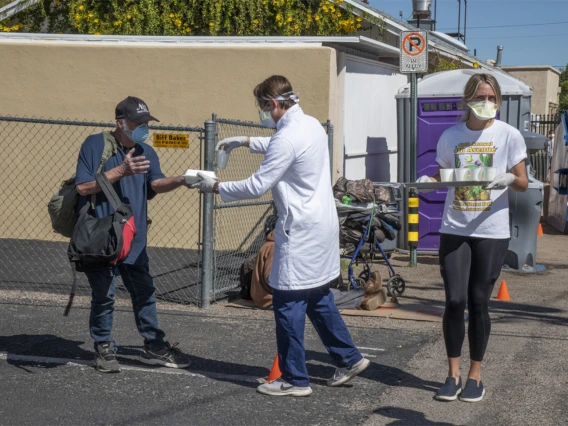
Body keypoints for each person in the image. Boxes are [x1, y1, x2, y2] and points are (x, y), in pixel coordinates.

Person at [192, 75, 370, 397]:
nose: (263, 113)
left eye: (263, 107)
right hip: (322, 225)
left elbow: (257, 184)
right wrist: (244, 141)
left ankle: (294, 380)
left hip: (301, 230)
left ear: (272, 104)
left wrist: (215, 187)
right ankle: (349, 358)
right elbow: (280, 143)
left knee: (287, 300)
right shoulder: (311, 125)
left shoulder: (286, 138)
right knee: (317, 296)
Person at [417, 73, 528, 402]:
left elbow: (522, 181)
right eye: (481, 96)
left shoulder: (508, 135)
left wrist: (507, 177)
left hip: (491, 231)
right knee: (454, 301)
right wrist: (427, 179)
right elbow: (442, 175)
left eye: (493, 98)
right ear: (468, 99)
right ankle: (452, 374)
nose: (487, 102)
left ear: (499, 102)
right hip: (455, 227)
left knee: (479, 303)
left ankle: (475, 376)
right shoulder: (451, 136)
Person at [75, 96, 192, 373]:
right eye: (138, 123)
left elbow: (155, 183)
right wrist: (121, 171)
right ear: (121, 123)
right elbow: (83, 187)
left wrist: (181, 180)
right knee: (104, 296)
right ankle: (103, 348)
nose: (143, 127)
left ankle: (154, 346)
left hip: (133, 239)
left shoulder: (147, 152)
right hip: (102, 237)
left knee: (144, 292)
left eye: (146, 123)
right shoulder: (95, 145)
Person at [243, 215, 385, 311]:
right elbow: (271, 277)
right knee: (323, 296)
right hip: (272, 299)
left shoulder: (273, 244)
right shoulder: (275, 247)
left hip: (273, 296)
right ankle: (364, 292)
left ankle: (362, 301)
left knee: (323, 296)